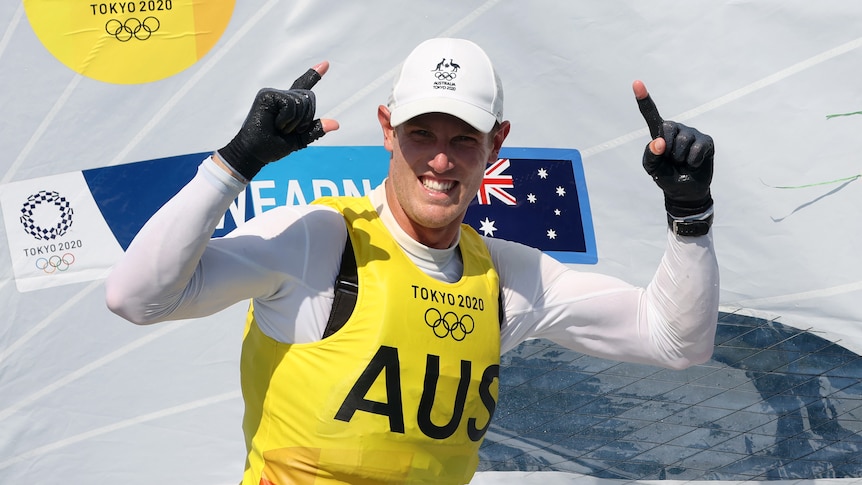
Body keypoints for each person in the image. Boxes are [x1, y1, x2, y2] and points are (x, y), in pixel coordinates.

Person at [106, 37, 719, 485]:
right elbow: (137, 298)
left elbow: (675, 342)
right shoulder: (320, 240)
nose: (441, 162)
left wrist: (689, 215)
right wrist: (236, 162)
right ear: (387, 130)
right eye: (421, 134)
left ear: (495, 144)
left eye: (462, 140)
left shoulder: (508, 277)